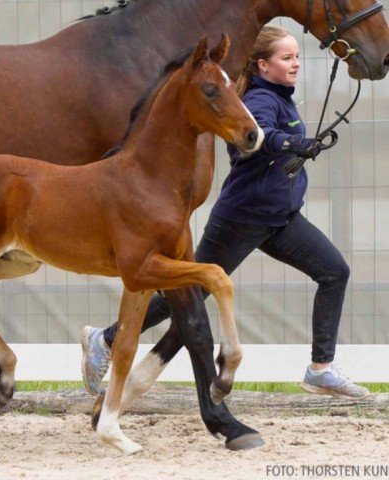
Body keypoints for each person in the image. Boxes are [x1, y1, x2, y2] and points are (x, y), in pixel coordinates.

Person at [81, 25, 369, 400]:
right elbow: (258, 138)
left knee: (334, 271)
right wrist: (293, 142)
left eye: (297, 56)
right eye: (287, 58)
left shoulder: (282, 97)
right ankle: (105, 338)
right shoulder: (261, 100)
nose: (296, 63)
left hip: (281, 219)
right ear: (264, 66)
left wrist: (299, 145)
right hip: (242, 219)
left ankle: (321, 369)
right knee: (189, 296)